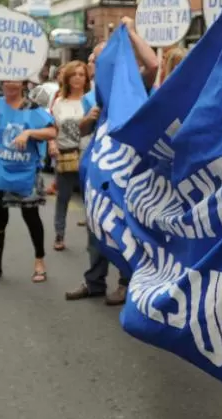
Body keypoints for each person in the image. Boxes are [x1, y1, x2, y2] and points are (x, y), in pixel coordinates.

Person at [68, 21, 159, 306]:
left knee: (120, 226)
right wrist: (87, 120)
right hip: (97, 174)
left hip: (125, 174)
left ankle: (126, 281)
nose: (93, 63)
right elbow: (78, 132)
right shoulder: (96, 96)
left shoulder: (133, 86)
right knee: (96, 226)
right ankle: (94, 281)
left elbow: (154, 65)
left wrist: (131, 33)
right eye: (93, 58)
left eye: (99, 58)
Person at [0, 80, 57, 284]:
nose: (10, 84)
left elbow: (52, 131)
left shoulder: (31, 108)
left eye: (15, 80)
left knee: (31, 216)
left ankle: (39, 261)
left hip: (25, 173)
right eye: (6, 80)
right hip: (0, 170)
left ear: (22, 83)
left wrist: (29, 133)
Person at [48, 61, 92, 250]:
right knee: (63, 196)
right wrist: (52, 143)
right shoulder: (59, 102)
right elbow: (53, 128)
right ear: (67, 78)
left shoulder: (92, 100)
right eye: (74, 74)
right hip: (66, 155)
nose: (77, 78)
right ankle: (59, 234)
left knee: (90, 198)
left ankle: (96, 239)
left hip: (89, 154)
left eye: (81, 74)